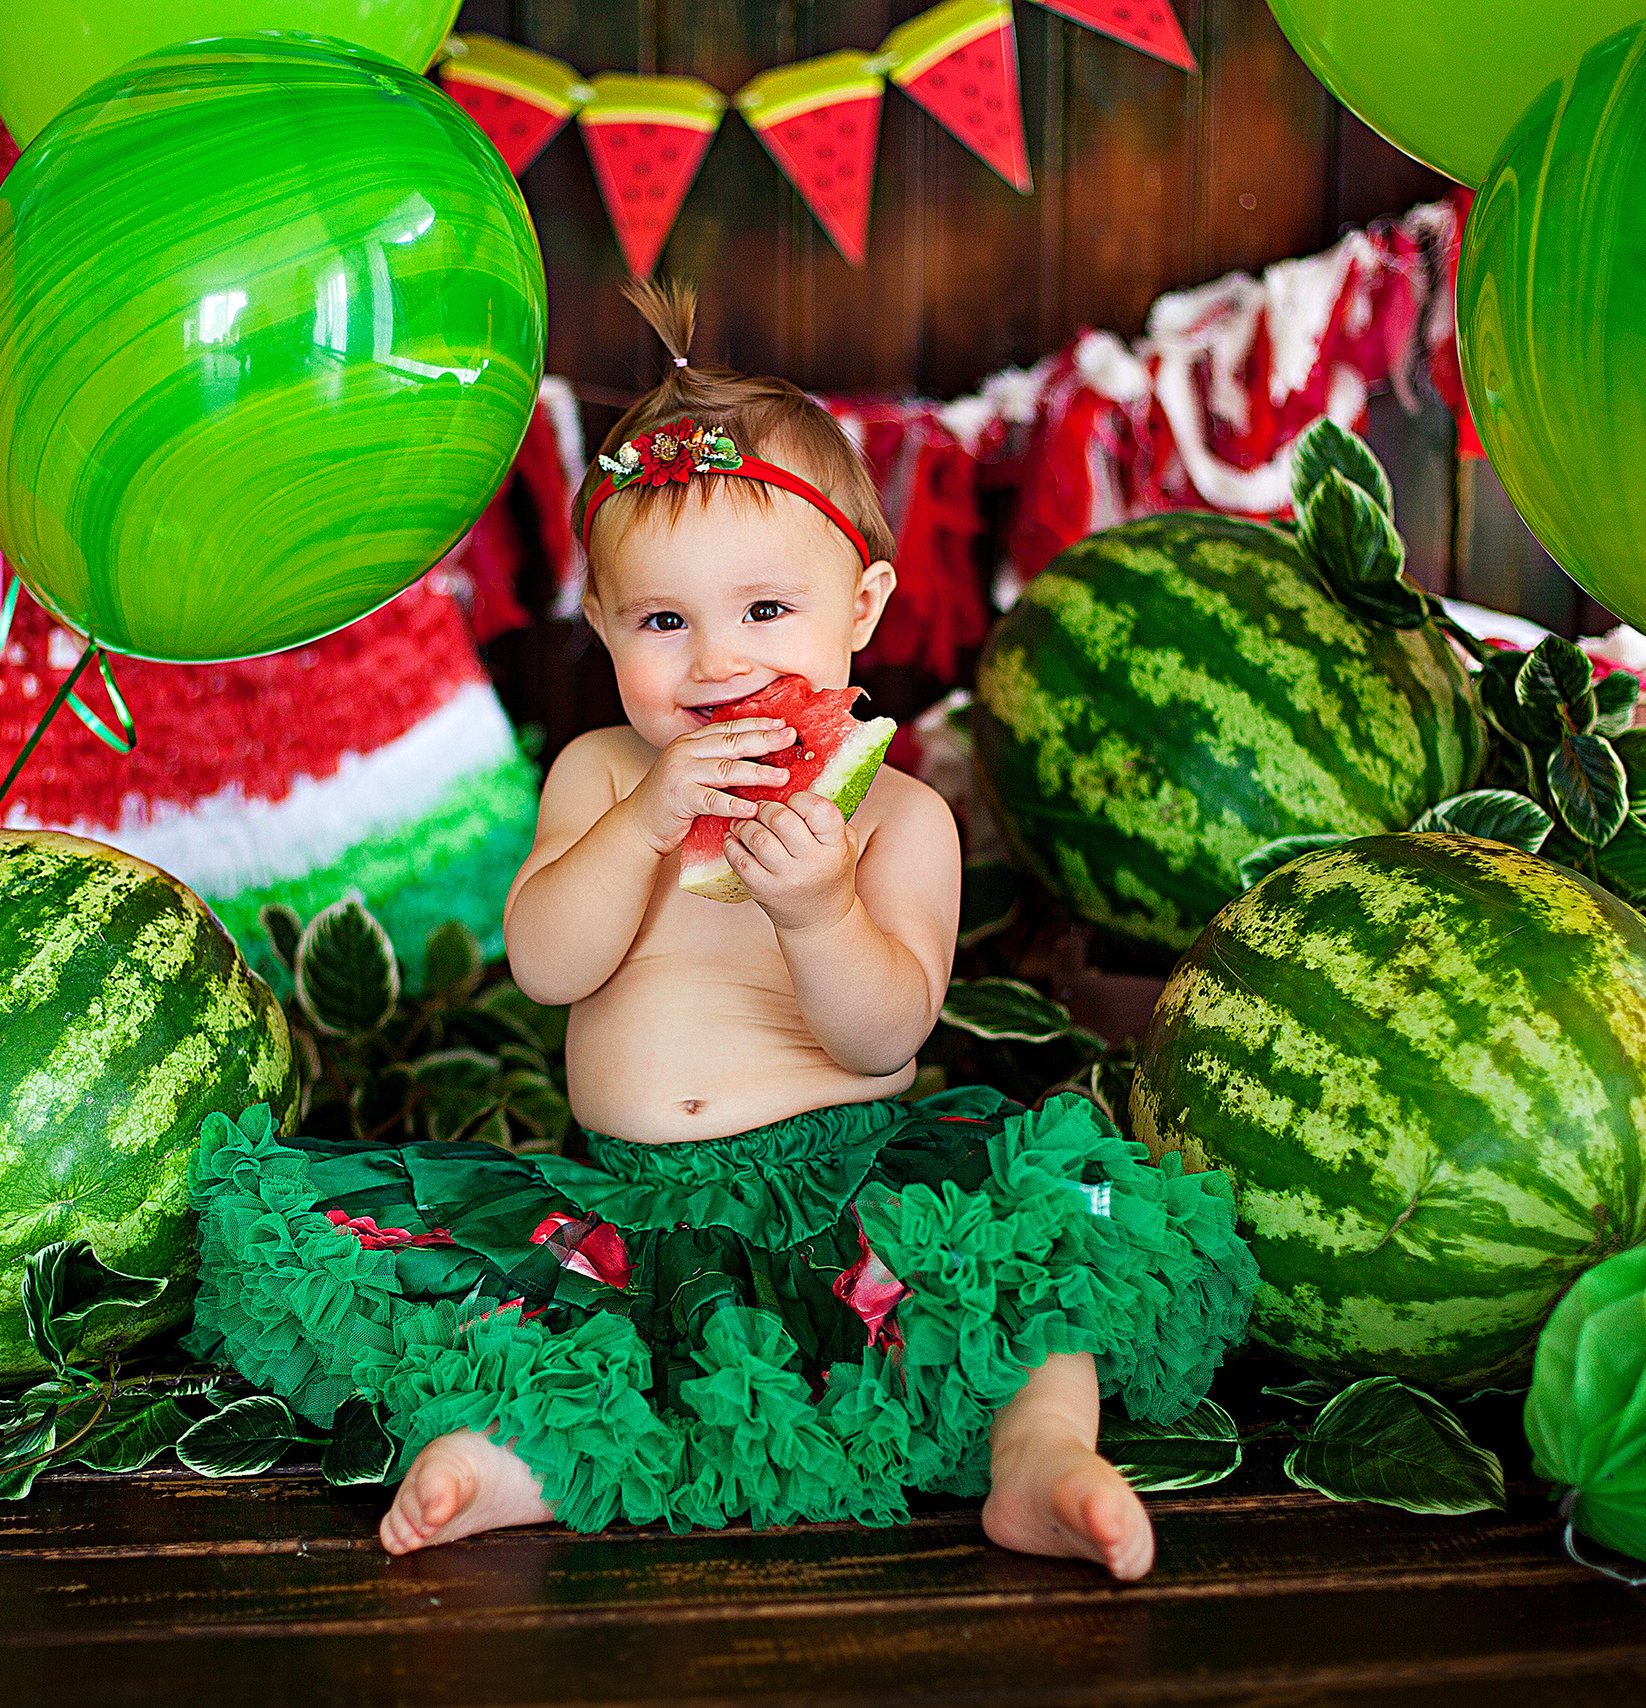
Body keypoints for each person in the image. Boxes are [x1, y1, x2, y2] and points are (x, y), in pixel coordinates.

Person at [185, 283, 1256, 1579]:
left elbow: (885, 1033)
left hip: (858, 1190)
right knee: (551, 1329)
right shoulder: (595, 776)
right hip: (625, 1208)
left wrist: (820, 909)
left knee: (1047, 1258)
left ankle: (1040, 1452)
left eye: (765, 613)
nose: (715, 665)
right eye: (663, 622)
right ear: (603, 628)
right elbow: (548, 963)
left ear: (859, 609)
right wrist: (641, 825)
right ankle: (512, 1464)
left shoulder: (902, 815)